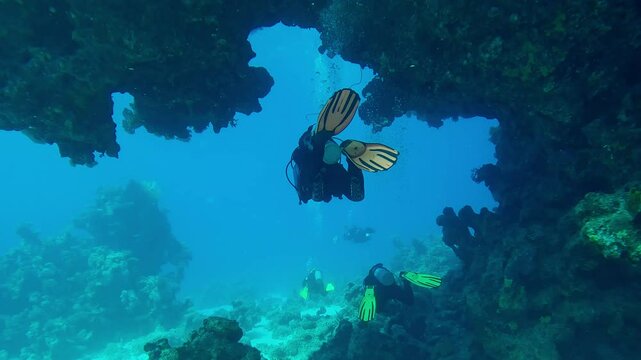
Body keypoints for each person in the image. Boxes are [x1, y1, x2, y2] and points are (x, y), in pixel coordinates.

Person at [286, 89, 400, 204]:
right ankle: (352, 175)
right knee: (341, 179)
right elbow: (300, 155)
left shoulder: (309, 144)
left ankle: (343, 182)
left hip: (317, 178)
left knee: (329, 173)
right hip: (322, 177)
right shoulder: (309, 145)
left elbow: (300, 155)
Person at [358, 263, 442, 322]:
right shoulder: (383, 270)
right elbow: (393, 279)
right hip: (391, 288)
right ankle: (405, 278)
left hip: (383, 293)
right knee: (409, 301)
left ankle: (405, 279)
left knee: (378, 310)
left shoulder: (368, 279)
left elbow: (368, 293)